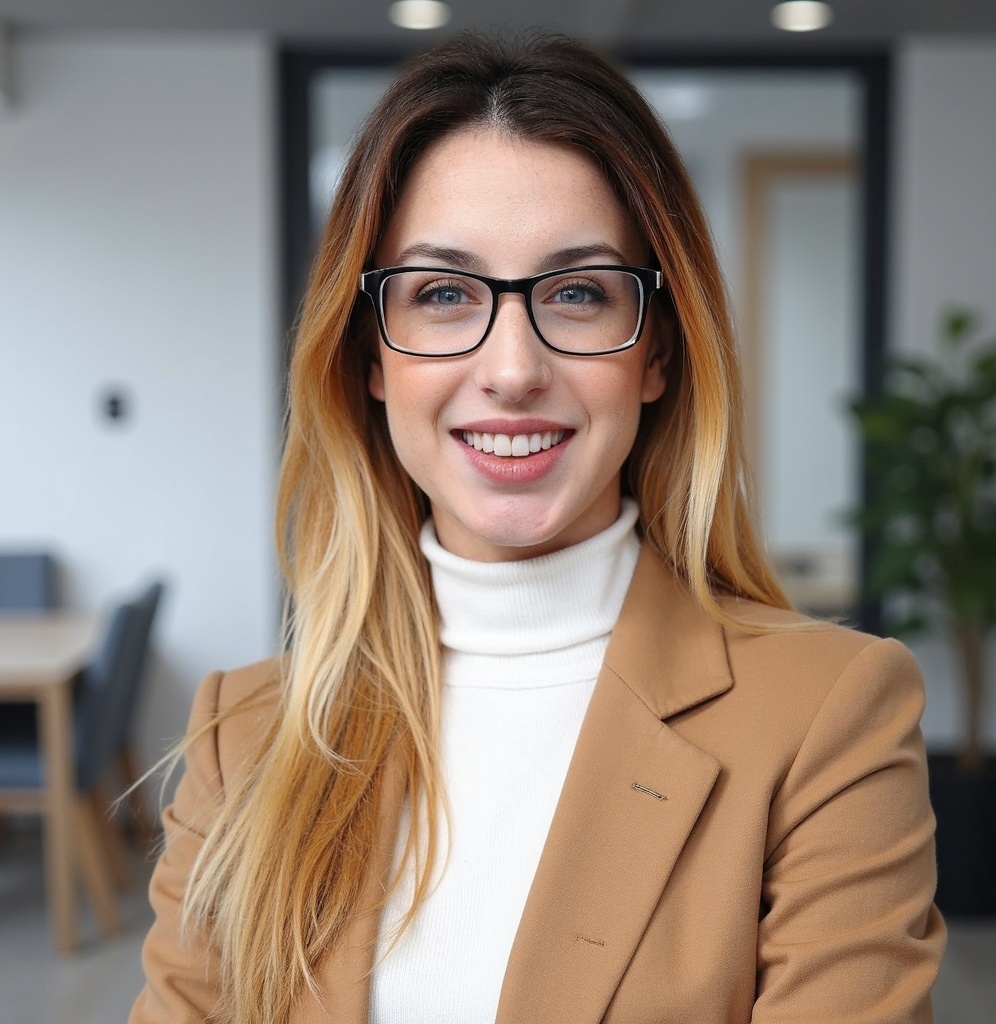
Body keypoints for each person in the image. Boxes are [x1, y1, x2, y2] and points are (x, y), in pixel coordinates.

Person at [131, 30, 946, 1024]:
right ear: (371, 360)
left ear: (655, 355)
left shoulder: (829, 718)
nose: (512, 368)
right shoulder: (243, 737)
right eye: (441, 292)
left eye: (576, 292)